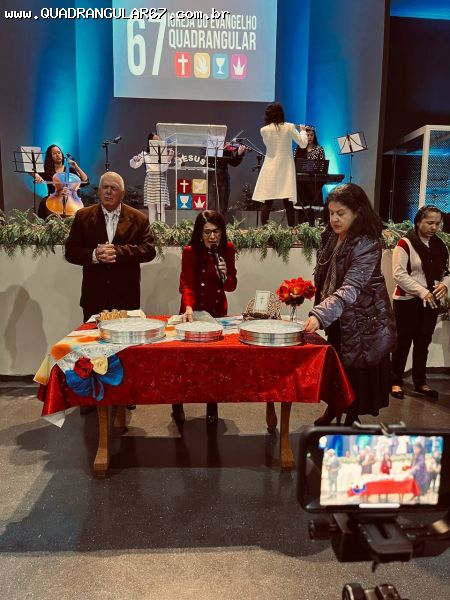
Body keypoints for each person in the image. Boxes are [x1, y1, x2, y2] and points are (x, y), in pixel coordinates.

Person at [304, 183, 397, 425]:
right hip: (338, 315)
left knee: (355, 372)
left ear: (357, 212)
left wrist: (320, 315)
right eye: (331, 213)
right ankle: (334, 409)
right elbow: (325, 275)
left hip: (362, 319)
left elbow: (352, 287)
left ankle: (351, 418)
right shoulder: (330, 236)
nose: (334, 219)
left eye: (341, 213)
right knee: (337, 369)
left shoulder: (367, 243)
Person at [171, 210, 237, 425]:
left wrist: (224, 274)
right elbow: (187, 283)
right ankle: (177, 403)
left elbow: (231, 286)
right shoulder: (190, 252)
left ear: (222, 232)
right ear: (200, 234)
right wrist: (188, 307)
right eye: (207, 232)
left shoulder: (227, 249)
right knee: (183, 363)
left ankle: (212, 404)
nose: (212, 237)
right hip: (192, 311)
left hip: (216, 312)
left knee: (214, 363)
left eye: (216, 231)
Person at [65, 171, 156, 322]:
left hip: (126, 299)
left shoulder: (139, 218)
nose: (108, 192)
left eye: (113, 188)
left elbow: (149, 250)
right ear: (99, 191)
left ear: (122, 194)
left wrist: (118, 252)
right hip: (94, 299)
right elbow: (71, 251)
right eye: (105, 187)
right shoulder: (83, 216)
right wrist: (94, 255)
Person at [391, 205, 449, 400]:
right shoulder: (405, 243)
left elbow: (447, 271)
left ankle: (420, 382)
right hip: (407, 300)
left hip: (430, 301)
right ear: (418, 222)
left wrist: (445, 285)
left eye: (437, 223)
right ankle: (395, 380)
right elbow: (399, 274)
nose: (434, 227)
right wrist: (422, 291)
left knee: (423, 342)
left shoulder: (439, 245)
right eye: (430, 222)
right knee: (402, 342)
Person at [252, 102, 307, 227]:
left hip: (270, 168)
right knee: (288, 202)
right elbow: (303, 144)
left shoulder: (264, 130)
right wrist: (303, 131)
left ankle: (265, 231)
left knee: (267, 201)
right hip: (286, 168)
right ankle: (292, 230)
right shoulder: (289, 127)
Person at [33, 144, 88, 219]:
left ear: (62, 154)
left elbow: (85, 181)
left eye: (59, 152)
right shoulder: (47, 171)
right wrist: (36, 175)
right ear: (50, 157)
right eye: (54, 154)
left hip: (70, 198)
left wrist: (76, 167)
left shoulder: (70, 170)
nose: (57, 155)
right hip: (53, 199)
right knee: (43, 203)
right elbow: (31, 170)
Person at [130, 132, 174, 224]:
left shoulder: (162, 153)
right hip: (150, 180)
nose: (157, 142)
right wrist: (134, 160)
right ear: (150, 141)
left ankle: (161, 229)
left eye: (158, 140)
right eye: (155, 140)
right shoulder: (145, 154)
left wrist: (168, 159)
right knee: (151, 208)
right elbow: (134, 165)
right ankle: (152, 229)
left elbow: (163, 169)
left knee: (161, 208)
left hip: (160, 179)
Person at [295, 125, 326, 225]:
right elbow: (295, 164)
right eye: (307, 135)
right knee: (302, 209)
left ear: (314, 136)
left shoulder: (319, 149)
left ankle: (313, 227)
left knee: (313, 209)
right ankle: (301, 227)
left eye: (311, 135)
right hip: (301, 183)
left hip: (314, 181)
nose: (309, 137)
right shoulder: (299, 149)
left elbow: (322, 165)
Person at [208, 142, 246, 220]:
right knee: (210, 201)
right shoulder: (207, 146)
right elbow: (204, 161)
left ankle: (221, 222)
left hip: (223, 177)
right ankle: (209, 221)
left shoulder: (226, 148)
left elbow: (233, 163)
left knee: (223, 202)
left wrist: (239, 154)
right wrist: (217, 151)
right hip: (210, 176)